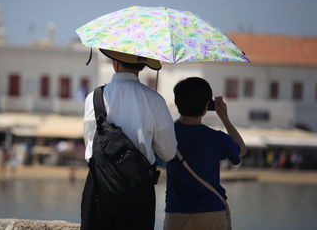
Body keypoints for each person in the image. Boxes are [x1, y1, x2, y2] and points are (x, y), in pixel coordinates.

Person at [82, 48, 177, 230]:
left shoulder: (93, 97)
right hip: (139, 189)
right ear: (142, 65)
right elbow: (169, 152)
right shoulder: (155, 100)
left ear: (114, 62)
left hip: (99, 187)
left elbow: (90, 148)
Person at [164, 77, 247, 230]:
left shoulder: (167, 134)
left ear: (177, 103)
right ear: (207, 106)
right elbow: (241, 149)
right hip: (211, 211)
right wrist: (225, 118)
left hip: (176, 212)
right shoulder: (216, 138)